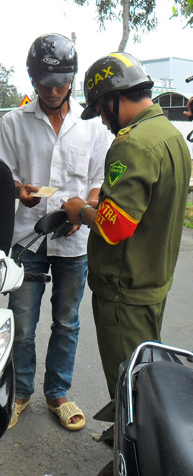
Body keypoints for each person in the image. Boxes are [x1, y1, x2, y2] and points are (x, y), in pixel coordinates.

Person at [0, 33, 111, 431]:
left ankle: (57, 393)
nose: (52, 91)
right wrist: (19, 191)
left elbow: (97, 179)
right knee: (22, 323)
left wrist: (88, 209)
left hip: (75, 241)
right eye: (44, 83)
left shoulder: (92, 126)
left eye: (60, 83)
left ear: (72, 80)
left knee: (67, 322)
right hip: (27, 237)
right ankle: (21, 392)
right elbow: (4, 175)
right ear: (32, 81)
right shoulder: (13, 122)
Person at [63, 52, 191, 399]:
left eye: (100, 112)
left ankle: (134, 449)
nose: (102, 122)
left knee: (129, 388)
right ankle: (132, 437)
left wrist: (81, 211)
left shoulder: (133, 143)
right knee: (144, 373)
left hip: (124, 292)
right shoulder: (169, 134)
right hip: (153, 283)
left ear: (111, 100)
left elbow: (115, 228)